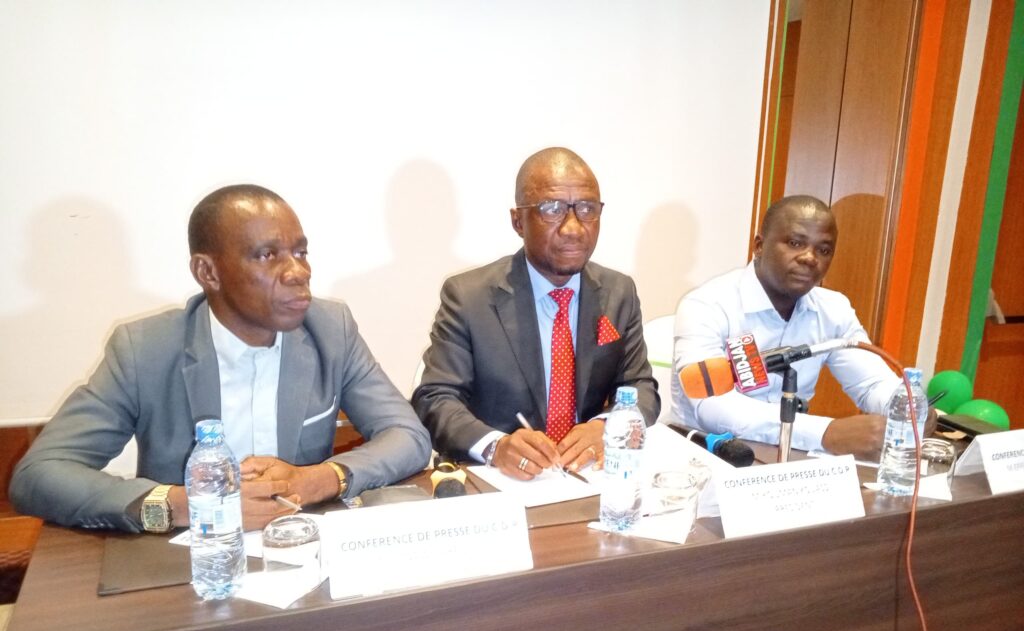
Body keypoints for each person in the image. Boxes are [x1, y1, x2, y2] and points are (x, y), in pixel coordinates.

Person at [10, 184, 431, 533]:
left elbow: (408, 436)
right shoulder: (146, 349)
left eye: (300, 253)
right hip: (194, 558)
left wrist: (315, 479)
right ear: (208, 273)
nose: (297, 272)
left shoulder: (330, 329)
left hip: (300, 543)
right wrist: (186, 505)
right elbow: (40, 474)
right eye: (267, 255)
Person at [412, 147, 659, 478]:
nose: (573, 228)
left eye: (587, 209)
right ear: (518, 221)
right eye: (552, 209)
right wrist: (495, 446)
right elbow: (435, 399)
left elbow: (641, 386)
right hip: (502, 479)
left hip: (587, 475)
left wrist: (607, 426)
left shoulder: (619, 292)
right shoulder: (469, 298)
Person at [672, 194, 916, 461]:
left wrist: (908, 408)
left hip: (793, 457)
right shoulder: (707, 305)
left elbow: (872, 384)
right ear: (759, 246)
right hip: (708, 456)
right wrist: (824, 433)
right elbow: (711, 405)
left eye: (824, 250)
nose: (810, 258)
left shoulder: (833, 310)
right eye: (795, 243)